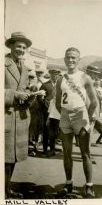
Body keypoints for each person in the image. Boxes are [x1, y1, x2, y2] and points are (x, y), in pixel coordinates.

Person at [56, 47, 97, 198]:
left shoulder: (85, 77)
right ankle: (68, 183)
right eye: (68, 57)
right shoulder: (61, 78)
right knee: (67, 153)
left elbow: (94, 102)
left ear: (78, 60)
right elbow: (58, 102)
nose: (71, 60)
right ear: (64, 59)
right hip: (66, 116)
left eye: (74, 58)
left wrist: (88, 117)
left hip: (81, 115)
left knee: (85, 153)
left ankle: (89, 185)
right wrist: (65, 115)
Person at [5, 32, 32, 198]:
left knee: (13, 157)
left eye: (24, 47)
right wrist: (14, 95)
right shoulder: (3, 63)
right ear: (11, 46)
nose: (21, 50)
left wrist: (31, 94)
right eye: (18, 46)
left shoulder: (25, 68)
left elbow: (25, 88)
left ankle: (6, 189)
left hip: (20, 117)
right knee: (4, 157)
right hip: (6, 116)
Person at [86, 66, 102, 148]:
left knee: (90, 133)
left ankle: (87, 154)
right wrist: (91, 114)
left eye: (96, 74)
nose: (96, 76)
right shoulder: (87, 83)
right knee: (88, 133)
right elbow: (87, 100)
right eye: (94, 73)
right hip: (90, 113)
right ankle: (86, 155)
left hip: (94, 113)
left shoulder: (91, 83)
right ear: (89, 72)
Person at [46, 67, 62, 157]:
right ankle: (52, 150)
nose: (55, 76)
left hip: (60, 114)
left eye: (57, 75)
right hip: (53, 114)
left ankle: (55, 149)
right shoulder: (53, 86)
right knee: (52, 134)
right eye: (54, 75)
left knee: (59, 134)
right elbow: (52, 102)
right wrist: (48, 116)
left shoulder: (62, 86)